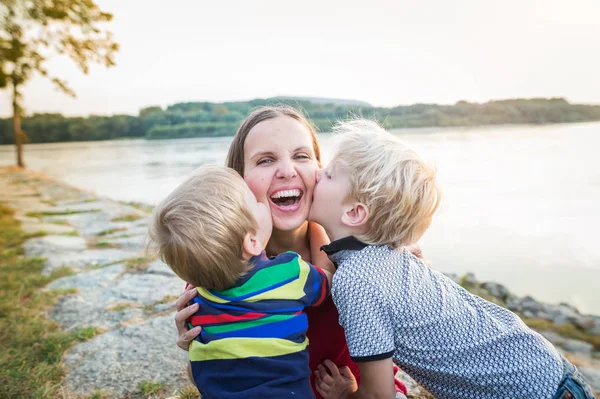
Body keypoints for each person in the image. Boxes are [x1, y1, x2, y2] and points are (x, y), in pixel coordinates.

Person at [310, 120, 596, 399]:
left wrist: (345, 395)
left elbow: (380, 394)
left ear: (355, 213)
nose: (317, 173)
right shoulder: (387, 254)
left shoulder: (355, 279)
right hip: (552, 372)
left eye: (330, 175)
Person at [173, 106, 409, 398]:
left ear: (321, 173)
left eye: (301, 156)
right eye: (266, 160)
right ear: (236, 183)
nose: (287, 171)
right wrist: (192, 343)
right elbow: (205, 378)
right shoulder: (217, 268)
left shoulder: (360, 258)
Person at [148, 165, 333, 397]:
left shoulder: (197, 301)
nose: (260, 201)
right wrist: (317, 225)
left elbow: (197, 371)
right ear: (252, 242)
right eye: (254, 201)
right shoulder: (289, 273)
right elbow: (327, 277)